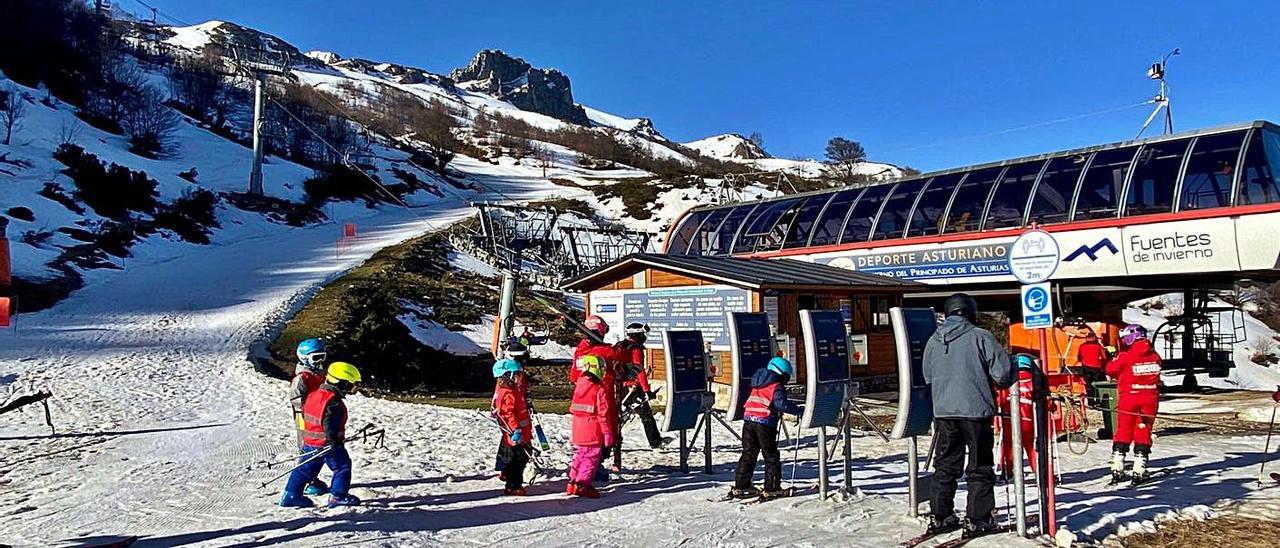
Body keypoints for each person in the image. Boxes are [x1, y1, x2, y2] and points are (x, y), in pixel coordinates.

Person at [922, 293, 1013, 538]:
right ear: (970, 312)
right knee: (979, 466)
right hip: (975, 411)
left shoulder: (934, 340)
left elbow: (927, 376)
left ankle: (941, 516)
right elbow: (1003, 374)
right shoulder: (980, 336)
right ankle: (978, 518)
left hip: (944, 412)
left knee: (945, 465)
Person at [281, 361, 363, 508]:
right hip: (327, 445)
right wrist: (332, 440)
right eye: (351, 384)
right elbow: (329, 423)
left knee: (304, 470)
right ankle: (338, 496)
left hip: (310, 442)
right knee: (342, 467)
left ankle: (291, 495)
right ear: (341, 382)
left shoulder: (314, 394)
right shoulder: (333, 402)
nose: (352, 388)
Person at [731, 356, 804, 500]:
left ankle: (741, 486)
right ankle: (772, 488)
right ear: (780, 373)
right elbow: (781, 404)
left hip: (748, 421)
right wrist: (798, 410)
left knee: (748, 454)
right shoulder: (776, 385)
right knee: (771, 456)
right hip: (764, 423)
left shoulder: (757, 382)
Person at [1105, 324, 1162, 485]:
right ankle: (1140, 468)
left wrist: (1113, 357)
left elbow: (1111, 369)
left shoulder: (1126, 356)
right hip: (1150, 397)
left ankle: (1117, 467)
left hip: (1129, 397)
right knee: (1143, 429)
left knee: (1124, 430)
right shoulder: (1155, 356)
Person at [613, 323, 667, 467]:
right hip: (632, 387)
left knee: (617, 416)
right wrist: (646, 390)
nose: (644, 337)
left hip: (618, 386)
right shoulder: (635, 349)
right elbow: (639, 370)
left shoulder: (620, 345)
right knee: (646, 415)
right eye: (642, 334)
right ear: (637, 335)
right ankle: (655, 442)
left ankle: (609, 441)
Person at [567, 353, 615, 498]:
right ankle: (583, 485)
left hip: (578, 427)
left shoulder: (580, 384)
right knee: (591, 458)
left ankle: (572, 482)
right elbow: (603, 414)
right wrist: (607, 433)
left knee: (580, 455)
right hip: (592, 430)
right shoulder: (599, 389)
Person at [289, 338, 330, 496]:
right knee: (308, 448)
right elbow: (295, 399)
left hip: (319, 416)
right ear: (305, 358)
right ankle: (306, 481)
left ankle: (312, 477)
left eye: (322, 357)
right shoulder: (302, 378)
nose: (320, 361)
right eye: (316, 357)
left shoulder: (318, 374)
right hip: (305, 418)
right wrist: (312, 407)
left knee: (319, 446)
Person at [493, 346, 533, 496]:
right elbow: (508, 414)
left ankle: (509, 477)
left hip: (522, 430)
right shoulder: (507, 394)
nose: (518, 378)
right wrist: (516, 430)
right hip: (516, 432)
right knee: (517, 459)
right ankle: (513, 484)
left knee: (516, 455)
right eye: (515, 375)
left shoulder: (514, 390)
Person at [996, 355, 1038, 477]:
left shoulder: (1006, 382)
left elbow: (998, 399)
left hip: (1009, 419)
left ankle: (1007, 470)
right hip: (1028, 420)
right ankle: (1038, 471)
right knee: (1030, 447)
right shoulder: (1033, 381)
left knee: (1008, 445)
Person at [1076, 330, 1109, 405]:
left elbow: (1079, 358)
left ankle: (1091, 402)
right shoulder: (1098, 346)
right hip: (1097, 368)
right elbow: (1104, 357)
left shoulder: (1082, 346)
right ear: (1094, 338)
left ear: (1086, 338)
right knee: (1098, 385)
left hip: (1086, 368)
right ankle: (1098, 402)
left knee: (1088, 385)